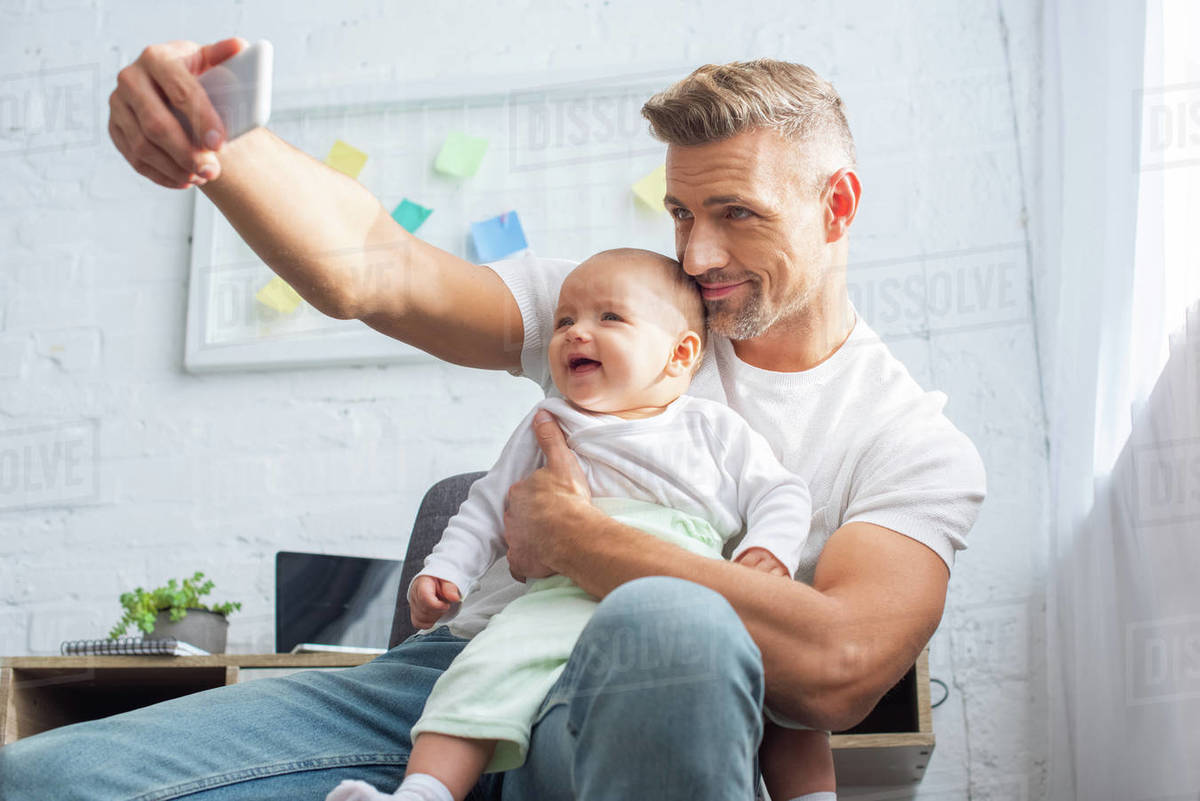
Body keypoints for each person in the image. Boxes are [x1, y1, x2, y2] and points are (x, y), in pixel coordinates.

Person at [0, 45, 985, 801]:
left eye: (737, 213)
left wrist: (579, 539)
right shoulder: (626, 305)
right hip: (451, 684)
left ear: (837, 205)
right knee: (41, 781)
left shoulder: (908, 442)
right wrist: (220, 143)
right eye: (680, 212)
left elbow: (839, 669)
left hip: (640, 699)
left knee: (672, 618)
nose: (696, 251)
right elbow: (376, 267)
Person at [326, 248, 834, 801]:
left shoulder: (714, 428)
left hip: (683, 585)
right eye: (566, 320)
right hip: (558, 597)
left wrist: (769, 550)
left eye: (608, 318)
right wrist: (445, 568)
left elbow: (781, 492)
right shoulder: (551, 422)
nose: (575, 333)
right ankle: (424, 791)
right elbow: (489, 506)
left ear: (680, 354)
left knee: (788, 689)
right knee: (480, 674)